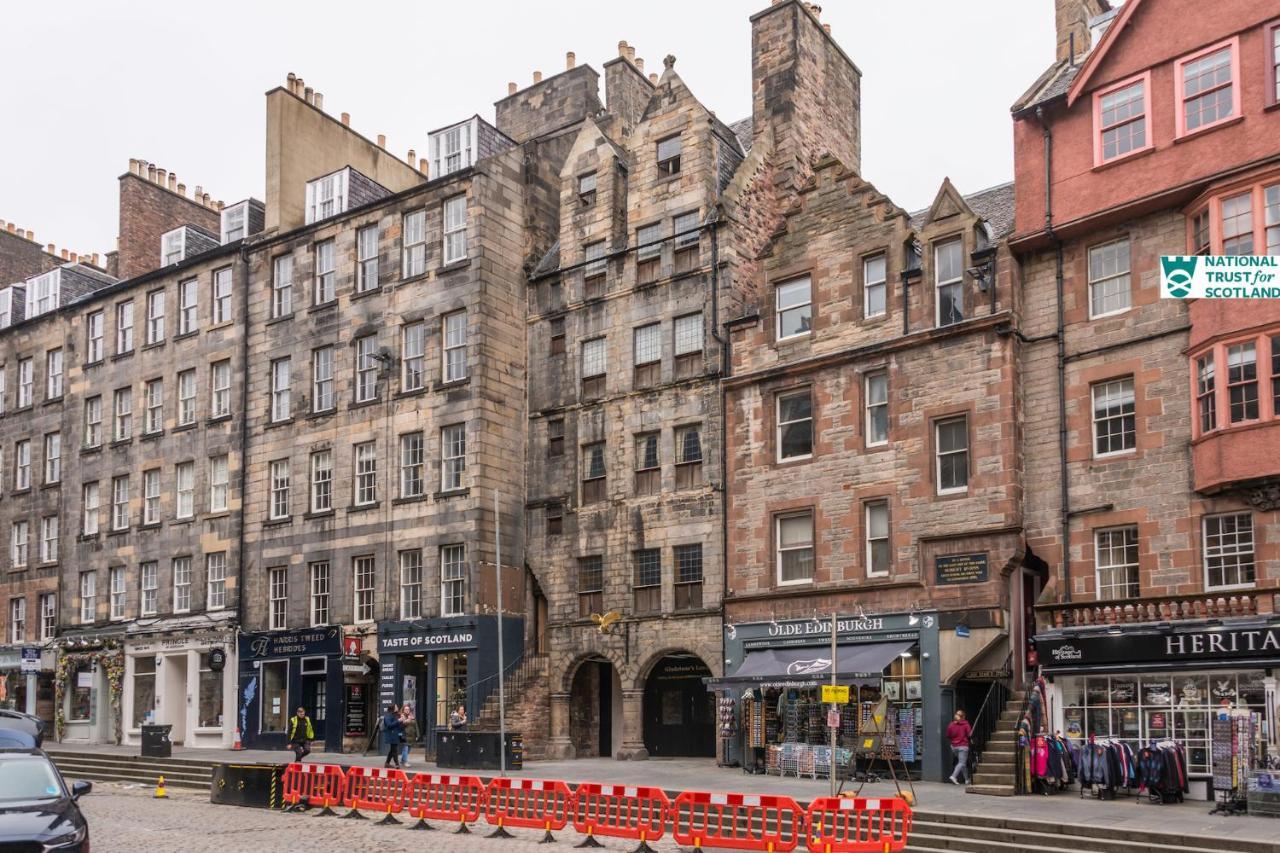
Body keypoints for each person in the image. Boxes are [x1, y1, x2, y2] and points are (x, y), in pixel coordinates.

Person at [947, 709, 973, 785]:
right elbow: (970, 734)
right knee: (961, 762)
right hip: (963, 746)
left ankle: (967, 779)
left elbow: (948, 735)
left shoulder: (951, 725)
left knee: (962, 763)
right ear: (963, 717)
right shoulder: (966, 724)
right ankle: (953, 776)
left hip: (954, 747)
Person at [382, 704, 404, 768]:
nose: (397, 707)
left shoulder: (396, 715)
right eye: (396, 707)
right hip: (391, 735)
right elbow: (389, 725)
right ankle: (397, 764)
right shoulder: (388, 716)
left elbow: (399, 725)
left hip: (396, 734)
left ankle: (387, 763)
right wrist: (398, 721)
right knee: (394, 750)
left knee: (392, 750)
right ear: (393, 708)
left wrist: (403, 721)